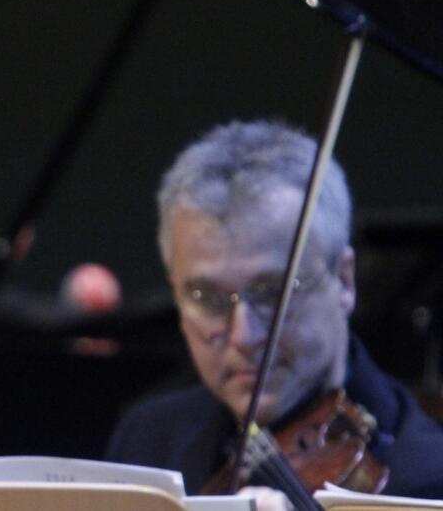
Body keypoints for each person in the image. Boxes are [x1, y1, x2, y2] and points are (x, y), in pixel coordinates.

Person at [106, 120, 443, 506]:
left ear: (345, 281)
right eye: (207, 296)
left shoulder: (429, 479)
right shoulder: (148, 440)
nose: (244, 337)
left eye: (273, 293)